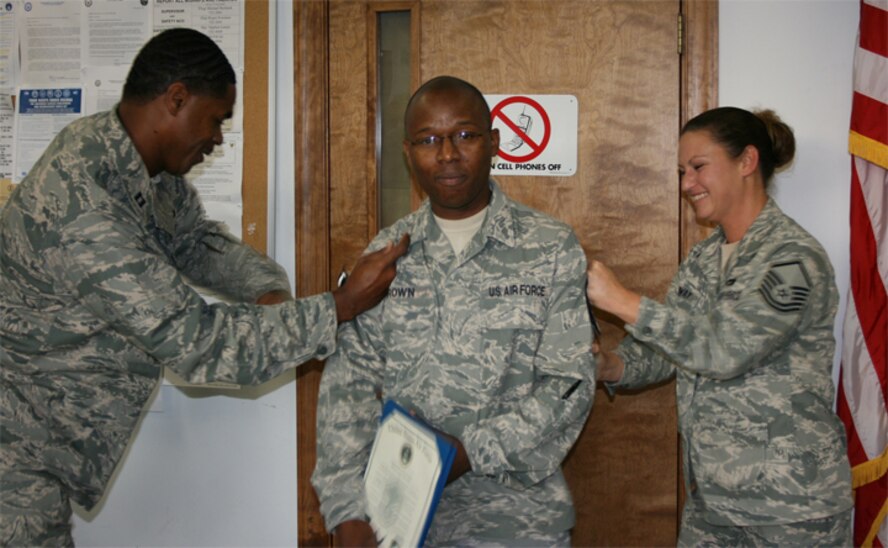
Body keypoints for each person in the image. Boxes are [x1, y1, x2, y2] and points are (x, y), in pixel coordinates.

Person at [0, 28, 408, 546]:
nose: (218, 138)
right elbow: (198, 345)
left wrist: (268, 293)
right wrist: (338, 308)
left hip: (40, 450)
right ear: (176, 98)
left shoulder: (129, 161)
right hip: (16, 453)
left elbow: (193, 241)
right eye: (215, 119)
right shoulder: (82, 205)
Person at [311, 76, 595, 546]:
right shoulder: (387, 254)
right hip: (399, 521)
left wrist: (469, 453)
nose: (446, 154)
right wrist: (345, 510)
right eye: (428, 140)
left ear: (495, 142)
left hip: (517, 523)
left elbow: (570, 384)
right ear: (408, 152)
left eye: (464, 135)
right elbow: (348, 387)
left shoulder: (549, 247)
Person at [586, 107, 853, 545]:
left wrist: (623, 301)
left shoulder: (792, 258)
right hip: (714, 501)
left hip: (790, 508)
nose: (686, 184)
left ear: (747, 162)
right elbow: (669, 348)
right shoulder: (704, 260)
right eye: (681, 171)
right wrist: (611, 366)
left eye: (698, 167)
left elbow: (726, 349)